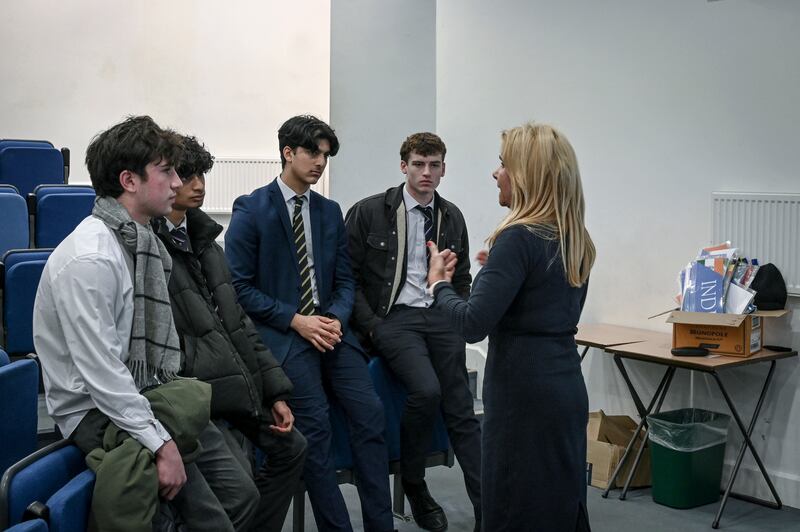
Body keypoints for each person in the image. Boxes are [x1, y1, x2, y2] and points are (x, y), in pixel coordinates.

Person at [32, 116, 259, 531]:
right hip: (97, 410)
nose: (177, 183)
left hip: (145, 391)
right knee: (213, 521)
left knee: (243, 496)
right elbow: (102, 375)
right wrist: (161, 443)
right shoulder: (91, 259)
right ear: (129, 180)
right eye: (166, 171)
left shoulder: (142, 241)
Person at [225, 115, 393, 532]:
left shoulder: (329, 211)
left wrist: (333, 318)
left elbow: (345, 280)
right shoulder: (252, 208)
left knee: (370, 415)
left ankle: (382, 525)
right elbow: (239, 288)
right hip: (286, 337)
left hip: (332, 332)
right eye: (313, 152)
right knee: (315, 431)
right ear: (287, 153)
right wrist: (298, 320)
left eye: (325, 155)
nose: (320, 162)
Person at [427, 122, 595, 531]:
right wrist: (496, 274)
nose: (495, 173)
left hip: (522, 396)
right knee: (556, 505)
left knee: (515, 506)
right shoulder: (575, 237)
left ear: (525, 176)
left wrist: (438, 285)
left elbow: (471, 325)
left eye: (503, 165)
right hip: (564, 389)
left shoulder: (517, 238)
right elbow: (546, 306)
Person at [151, 134, 308, 531]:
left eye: (201, 174)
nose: (199, 185)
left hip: (235, 385)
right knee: (241, 492)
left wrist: (273, 391)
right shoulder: (150, 248)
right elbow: (165, 345)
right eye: (187, 176)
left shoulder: (207, 243)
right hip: (198, 393)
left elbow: (238, 324)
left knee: (294, 447)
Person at [346, 132, 481, 532]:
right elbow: (346, 277)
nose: (427, 172)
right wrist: (372, 326)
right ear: (403, 166)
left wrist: (458, 317)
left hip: (441, 317)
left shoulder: (452, 216)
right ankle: (416, 486)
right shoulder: (371, 211)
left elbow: (463, 280)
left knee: (462, 409)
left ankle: (489, 510)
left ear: (443, 168)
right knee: (427, 390)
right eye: (419, 164)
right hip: (394, 318)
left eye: (434, 165)